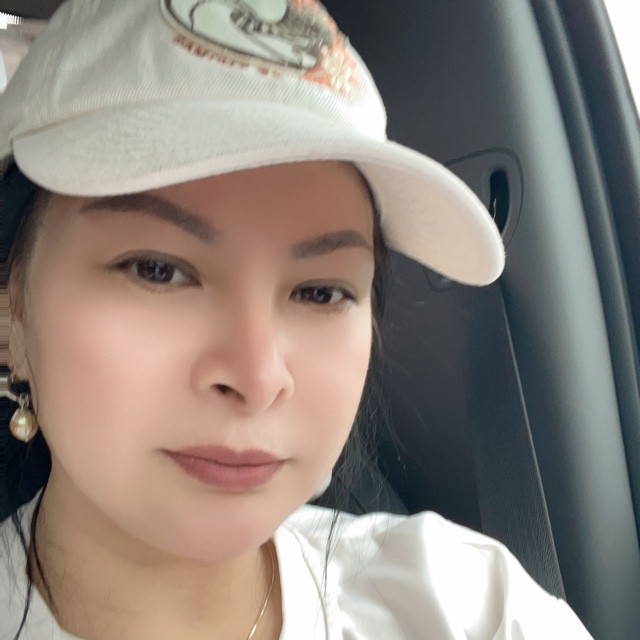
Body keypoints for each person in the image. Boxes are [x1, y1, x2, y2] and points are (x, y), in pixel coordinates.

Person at [0, 1, 593, 639]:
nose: (258, 379)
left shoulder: (470, 607)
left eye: (319, 292)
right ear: (11, 317)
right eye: (157, 270)